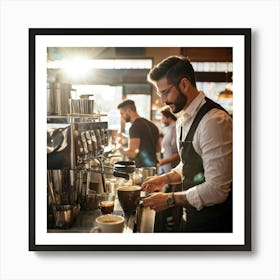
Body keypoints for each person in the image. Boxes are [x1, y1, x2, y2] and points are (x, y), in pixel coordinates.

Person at [142, 55, 232, 232]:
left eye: (165, 92)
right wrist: (164, 179)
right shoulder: (183, 118)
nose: (163, 101)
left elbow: (217, 190)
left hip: (214, 223)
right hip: (191, 215)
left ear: (184, 84)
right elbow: (190, 163)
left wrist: (170, 199)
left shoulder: (213, 121)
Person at [117, 99, 161, 168]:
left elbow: (133, 153)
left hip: (142, 169)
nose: (121, 117)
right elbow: (158, 149)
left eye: (122, 113)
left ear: (128, 110)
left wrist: (120, 150)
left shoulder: (134, 127)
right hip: (153, 167)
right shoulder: (152, 125)